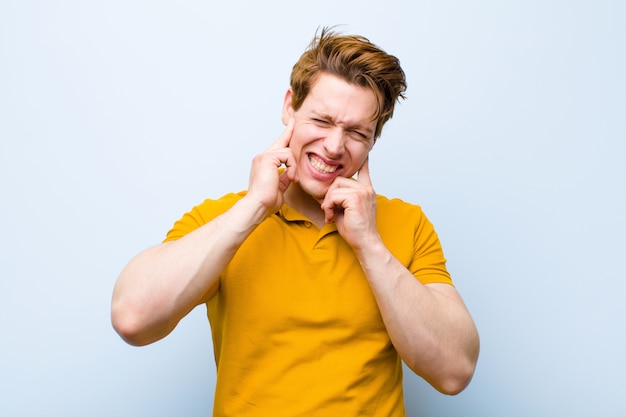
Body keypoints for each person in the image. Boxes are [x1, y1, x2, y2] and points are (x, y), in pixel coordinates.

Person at [111, 27, 479, 416]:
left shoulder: (407, 224)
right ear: (290, 107)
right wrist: (255, 207)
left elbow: (454, 372)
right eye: (321, 121)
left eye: (356, 132)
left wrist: (369, 244)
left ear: (374, 140)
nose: (335, 147)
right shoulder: (223, 218)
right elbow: (133, 319)